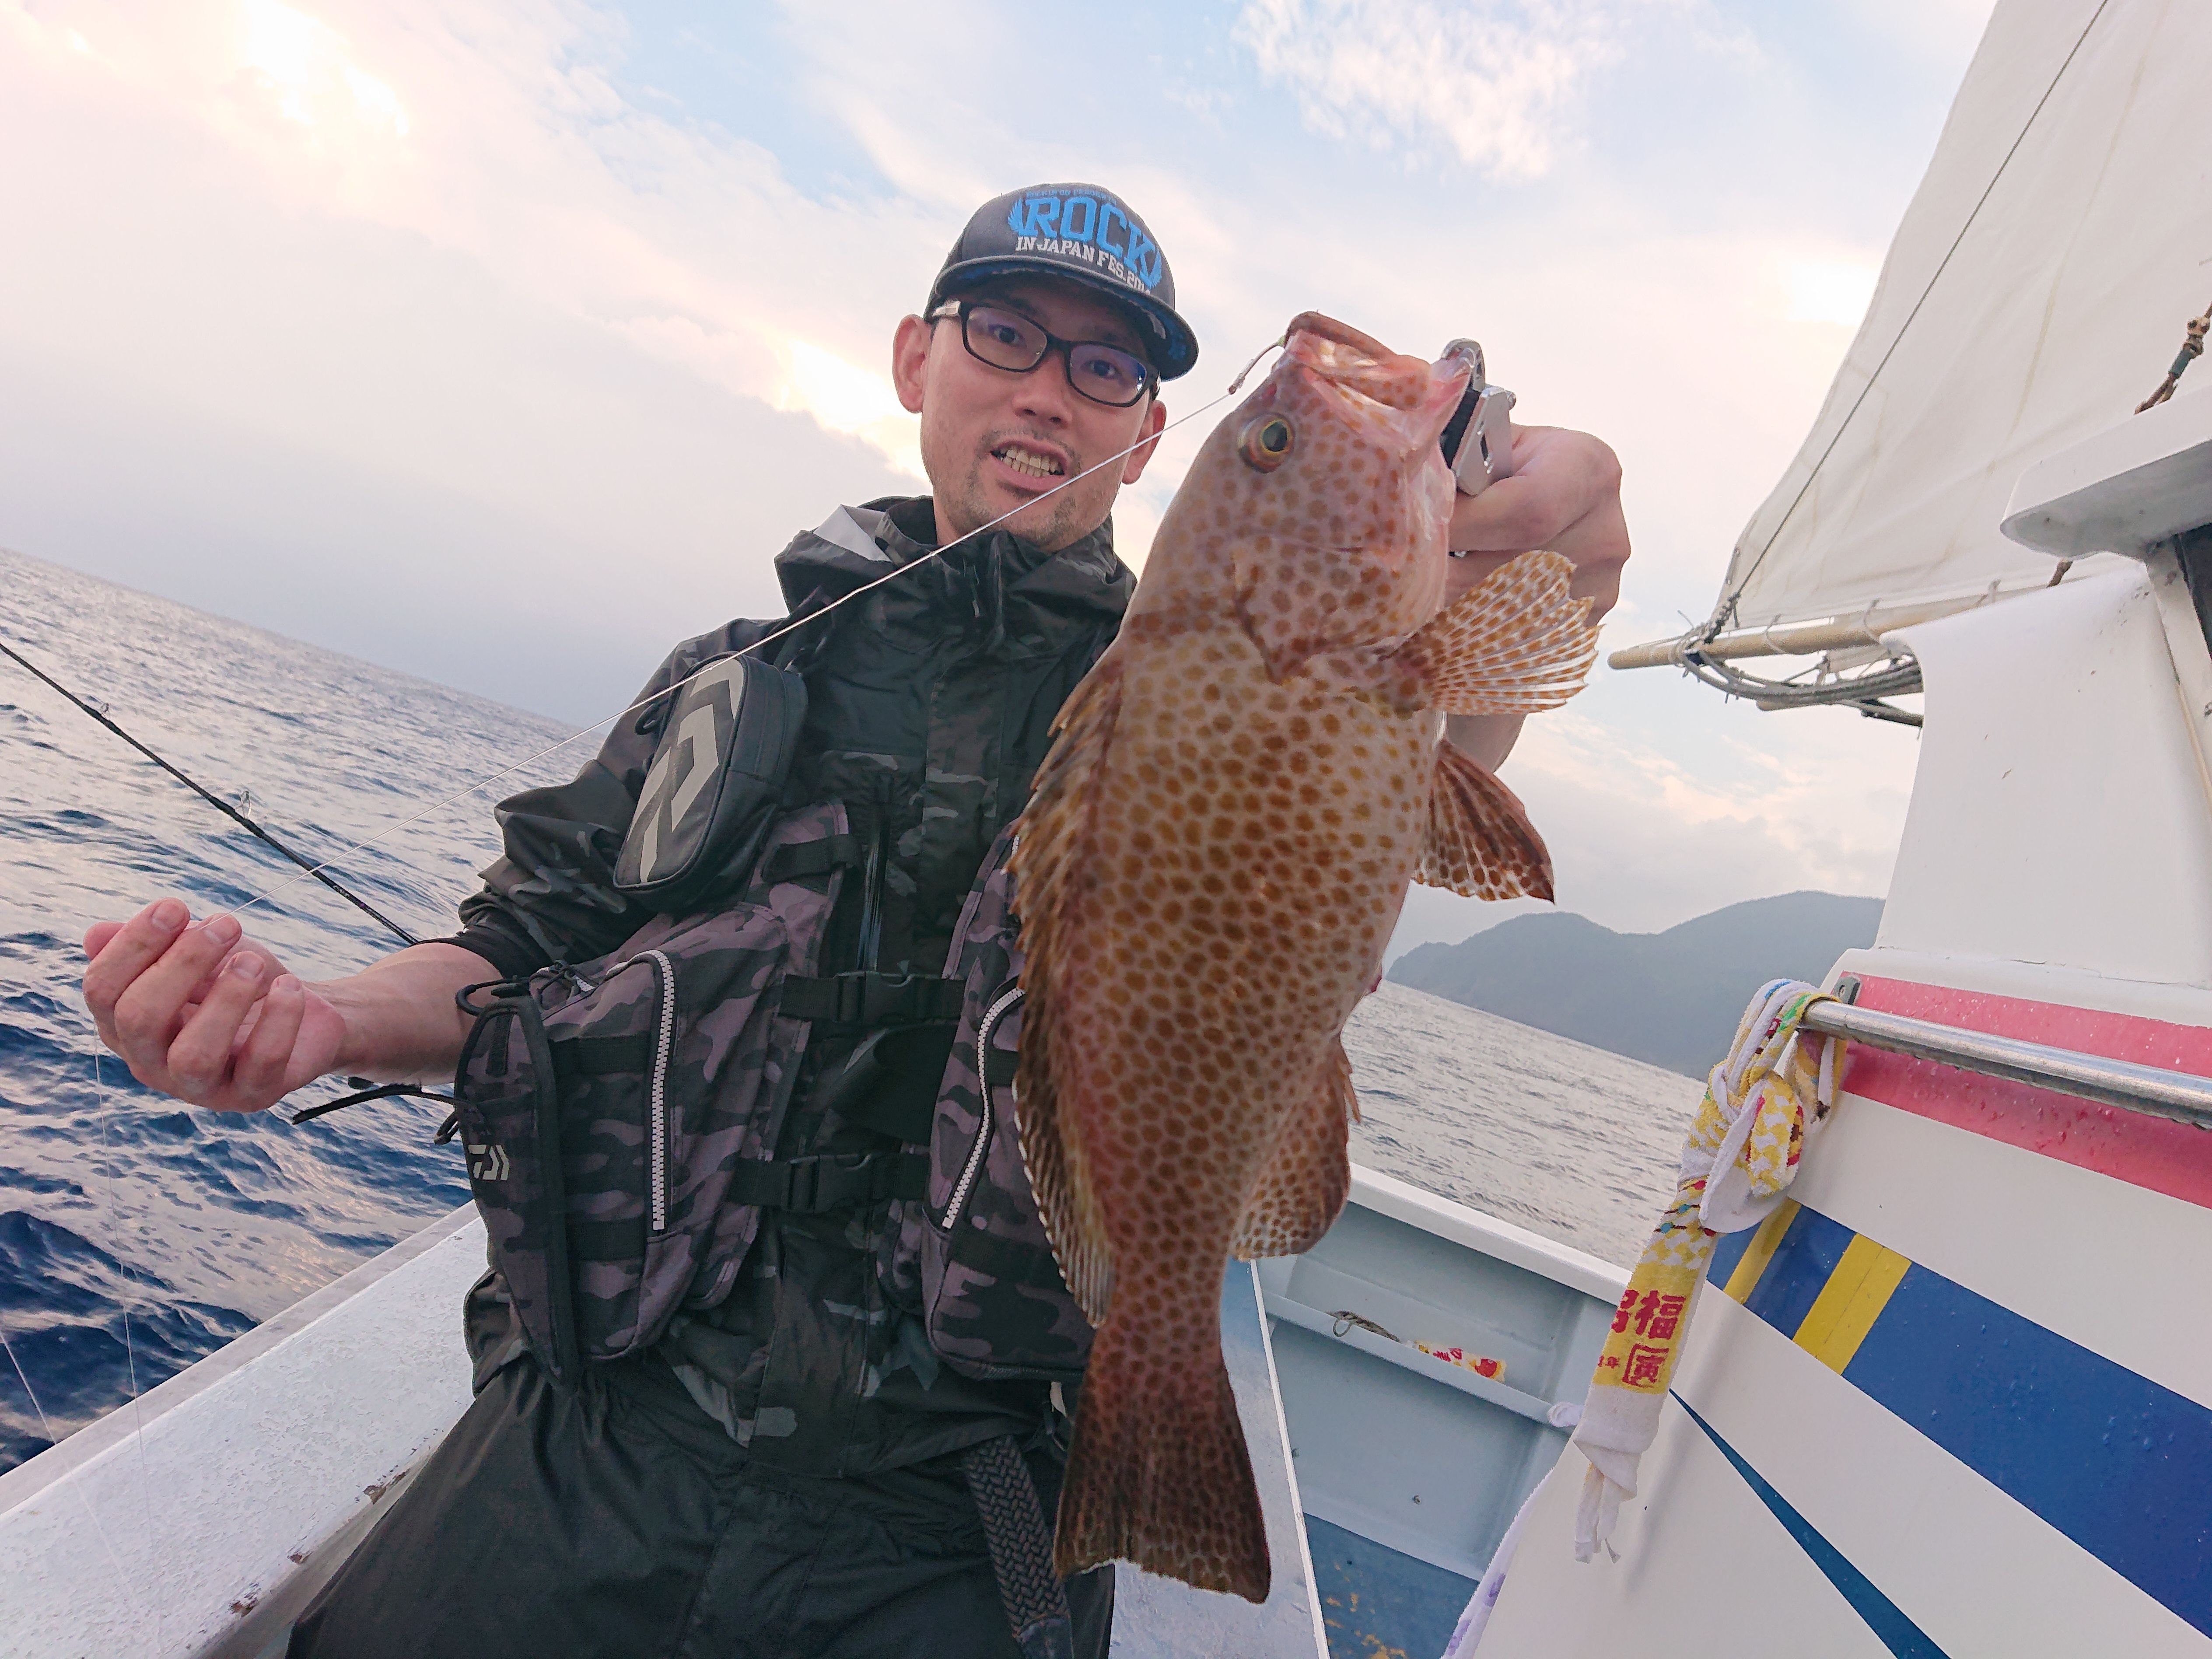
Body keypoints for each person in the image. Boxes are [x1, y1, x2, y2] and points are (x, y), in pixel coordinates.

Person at [78, 182, 1629, 1658]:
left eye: (1105, 368)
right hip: (599, 1435)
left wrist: (1554, 540)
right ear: (915, 361)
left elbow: (1450, 730)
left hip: (962, 1519)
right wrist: (327, 1023)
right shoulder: (731, 679)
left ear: (1151, 433)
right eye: (1004, 335)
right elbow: (517, 941)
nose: (1048, 394)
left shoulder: (1196, 687)